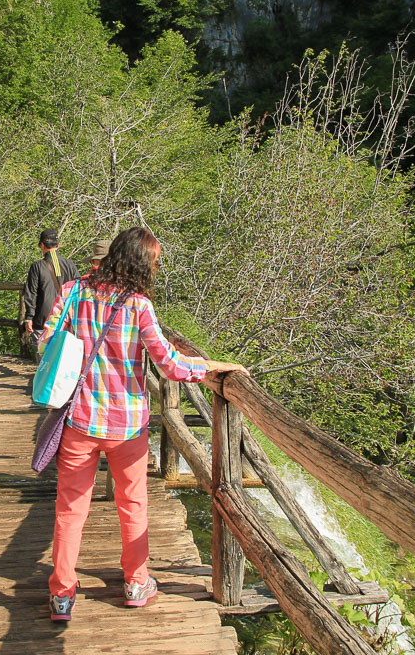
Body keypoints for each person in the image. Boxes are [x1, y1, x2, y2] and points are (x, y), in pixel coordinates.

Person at [38, 227, 247, 622]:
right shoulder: (138, 306)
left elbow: (46, 342)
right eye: (154, 262)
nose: (156, 268)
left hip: (79, 419)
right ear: (140, 263)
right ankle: (136, 582)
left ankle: (62, 594)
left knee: (69, 509)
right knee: (132, 505)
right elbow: (169, 364)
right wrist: (209, 367)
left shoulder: (73, 292)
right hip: (126, 426)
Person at [22, 229, 81, 349]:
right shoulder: (70, 264)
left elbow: (31, 293)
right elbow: (78, 289)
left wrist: (29, 317)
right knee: (63, 358)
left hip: (43, 319)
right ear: (58, 245)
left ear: (42, 245)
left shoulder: (37, 266)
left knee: (43, 360)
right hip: (66, 318)